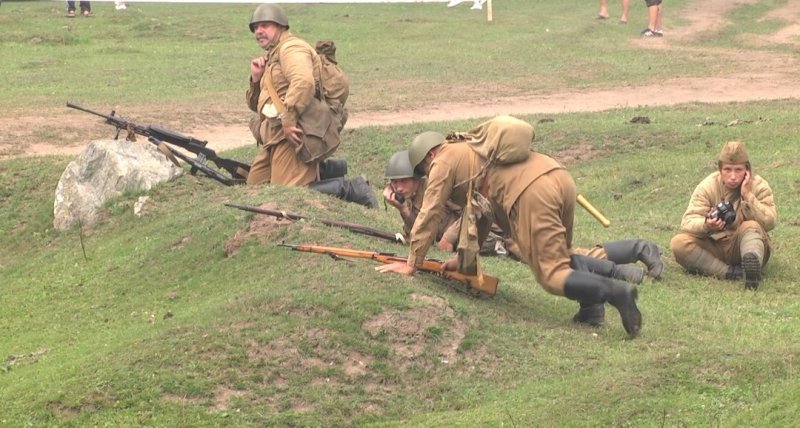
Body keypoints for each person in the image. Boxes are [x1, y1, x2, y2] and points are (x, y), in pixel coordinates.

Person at [376, 117, 642, 337]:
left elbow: (430, 212)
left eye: (423, 168)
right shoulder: (472, 151)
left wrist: (412, 263)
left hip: (532, 191)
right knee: (557, 251)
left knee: (550, 273)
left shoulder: (443, 161)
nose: (426, 173)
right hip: (558, 175)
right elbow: (481, 213)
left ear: (430, 155)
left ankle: (616, 292)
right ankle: (591, 310)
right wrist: (464, 259)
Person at [245, 4, 376, 208]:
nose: (259, 31)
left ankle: (351, 188)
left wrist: (288, 120)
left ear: (280, 26)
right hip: (275, 137)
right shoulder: (273, 57)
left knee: (288, 197)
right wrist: (255, 79)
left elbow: (303, 82)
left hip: (292, 134)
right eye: (256, 27)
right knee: (254, 189)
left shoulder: (291, 48)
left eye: (265, 25)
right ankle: (325, 173)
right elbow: (259, 105)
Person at [670, 141, 776, 290]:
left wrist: (748, 196)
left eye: (738, 170)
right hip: (716, 245)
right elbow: (688, 221)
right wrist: (707, 225)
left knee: (751, 226)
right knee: (678, 243)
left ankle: (752, 267)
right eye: (727, 169)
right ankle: (728, 272)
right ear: (720, 169)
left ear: (747, 170)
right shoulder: (708, 186)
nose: (733, 176)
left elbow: (770, 222)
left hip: (746, 244)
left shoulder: (759, 185)